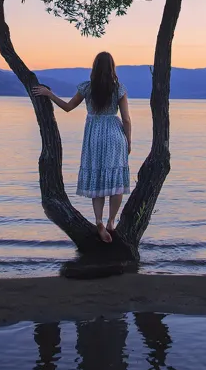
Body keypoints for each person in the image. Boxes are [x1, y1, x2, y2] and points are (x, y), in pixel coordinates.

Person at [31, 52, 132, 243]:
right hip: (114, 136)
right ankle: (111, 222)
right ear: (112, 68)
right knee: (116, 180)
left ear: (95, 67)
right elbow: (126, 119)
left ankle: (99, 221)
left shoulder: (87, 87)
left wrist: (49, 94)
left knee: (98, 179)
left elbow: (68, 107)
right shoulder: (119, 89)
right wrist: (129, 140)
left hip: (94, 136)